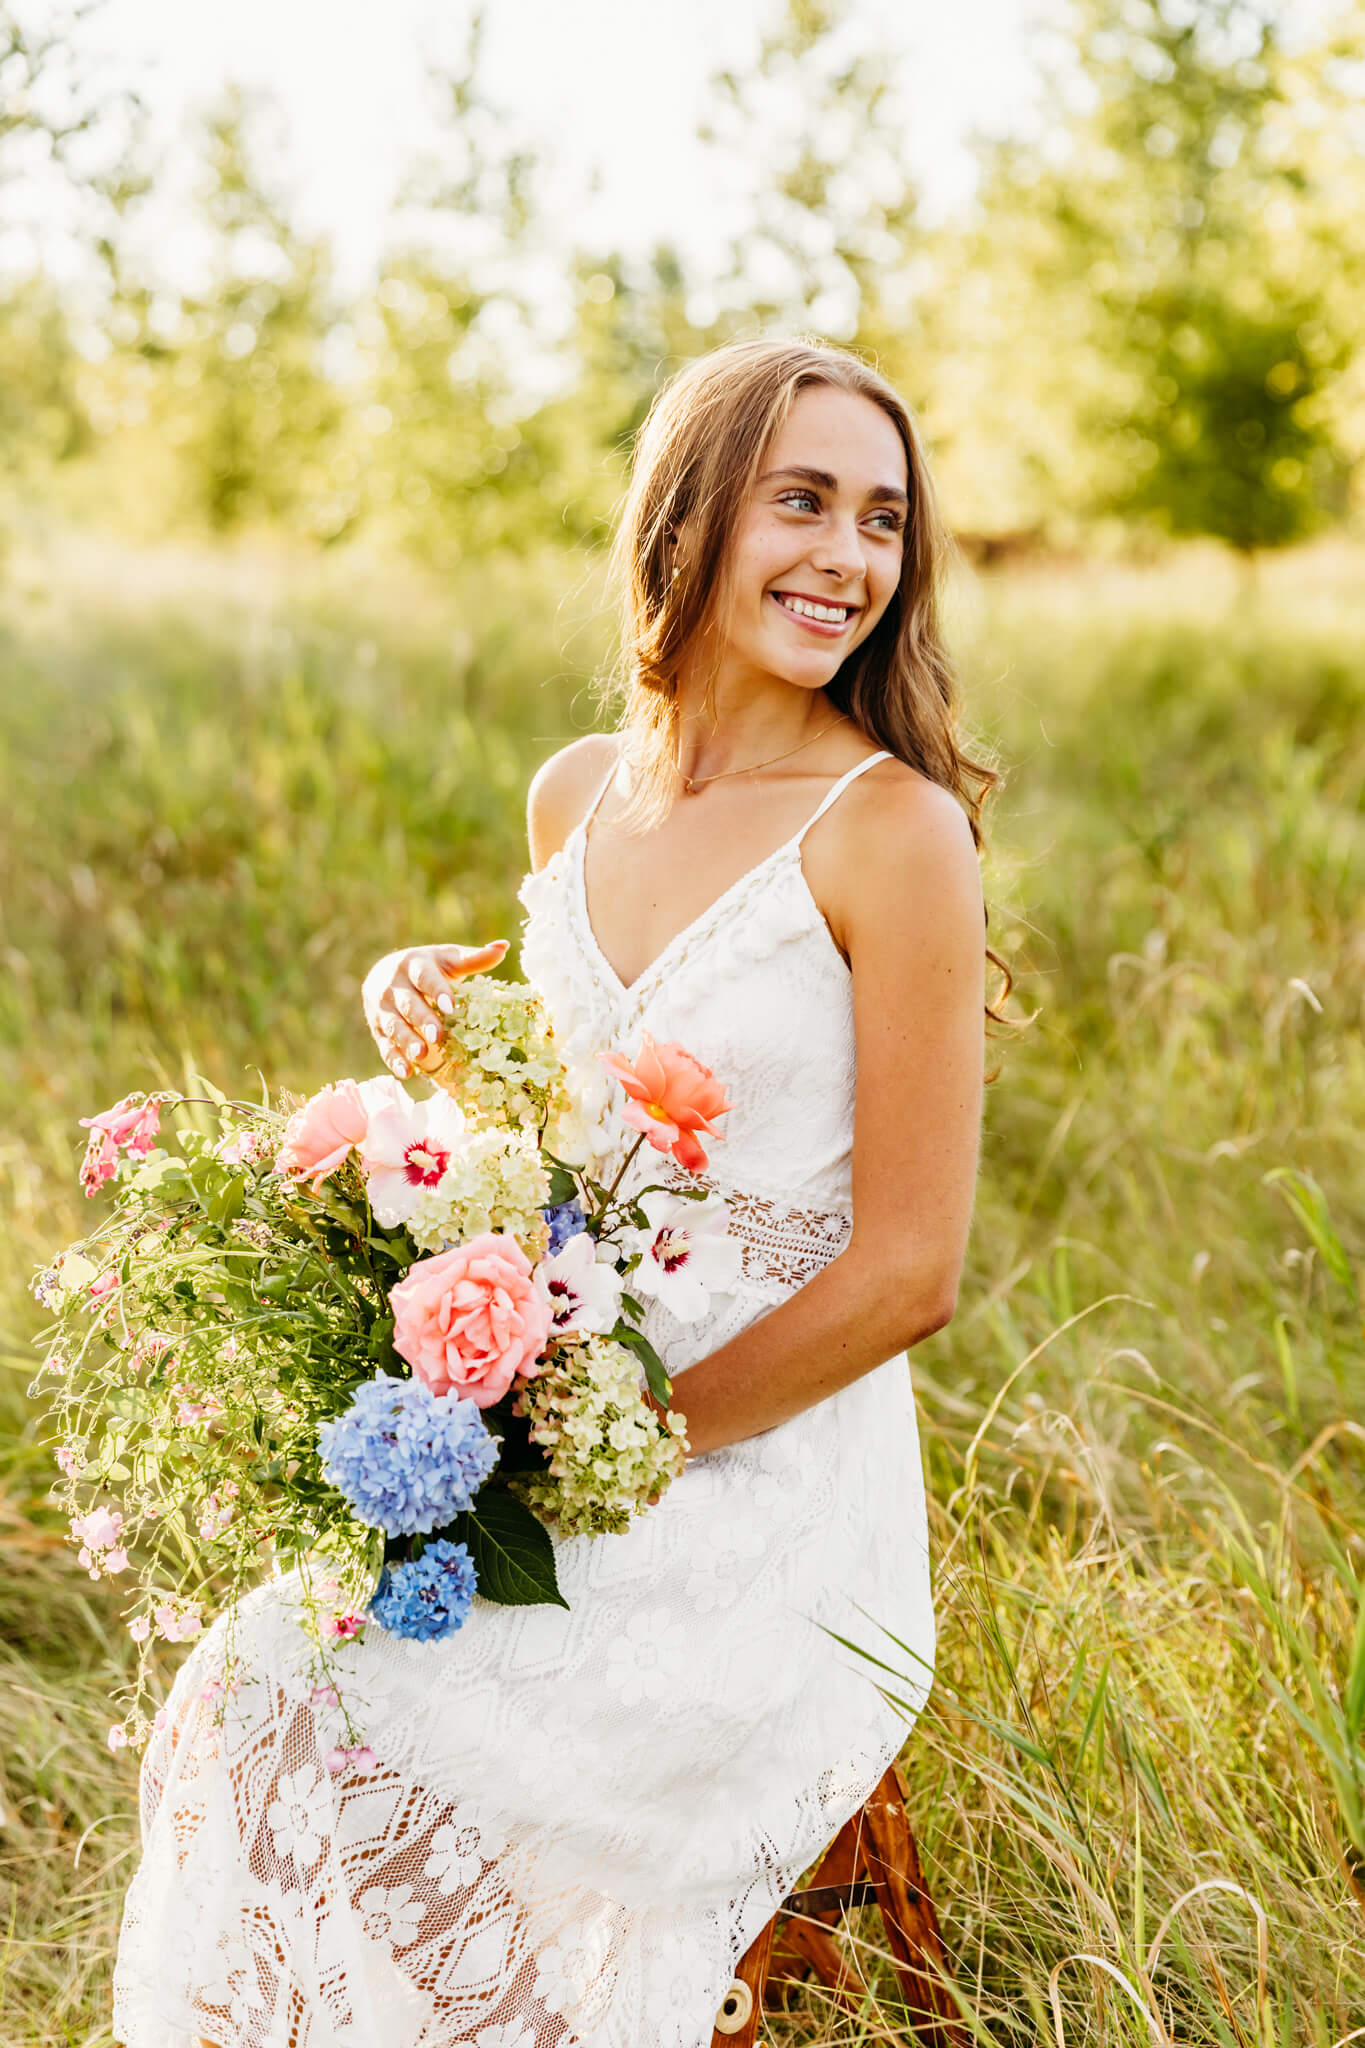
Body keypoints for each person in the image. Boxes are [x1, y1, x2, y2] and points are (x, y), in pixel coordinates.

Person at [112, 336, 1000, 2048]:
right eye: (798, 501)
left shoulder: (891, 832)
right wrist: (433, 1016)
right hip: (556, 1400)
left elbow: (908, 1272)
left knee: (408, 1719)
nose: (847, 558)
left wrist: (614, 1451)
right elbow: (588, 1123)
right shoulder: (576, 794)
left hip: (767, 1472)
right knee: (254, 1684)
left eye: (882, 520)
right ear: (687, 517)